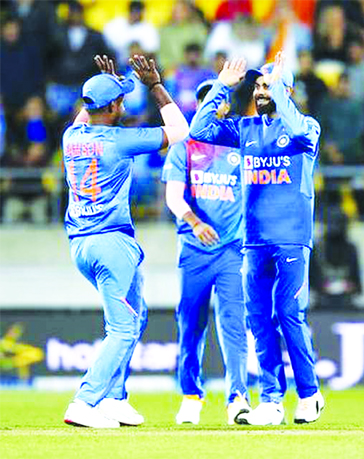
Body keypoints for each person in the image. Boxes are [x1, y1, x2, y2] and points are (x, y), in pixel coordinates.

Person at [189, 51, 324, 426]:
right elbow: (198, 133)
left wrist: (281, 91)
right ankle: (271, 400)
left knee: (289, 314)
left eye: (270, 85)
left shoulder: (306, 128)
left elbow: (296, 129)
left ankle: (310, 395)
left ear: (287, 90)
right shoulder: (244, 129)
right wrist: (221, 87)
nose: (262, 91)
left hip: (292, 239)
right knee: (259, 319)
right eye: (260, 85)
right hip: (253, 241)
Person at [62, 55, 189, 428]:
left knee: (136, 315)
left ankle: (114, 399)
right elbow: (180, 132)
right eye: (119, 100)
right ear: (114, 106)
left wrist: (105, 84)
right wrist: (155, 85)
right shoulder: (120, 141)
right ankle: (85, 401)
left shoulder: (72, 137)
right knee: (122, 328)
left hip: (82, 243)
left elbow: (86, 111)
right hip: (110, 242)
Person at [162, 79, 249, 426]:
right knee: (191, 324)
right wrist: (194, 221)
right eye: (203, 102)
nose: (209, 108)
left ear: (226, 107)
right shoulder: (183, 148)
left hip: (232, 250)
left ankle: (237, 398)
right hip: (195, 250)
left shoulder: (242, 143)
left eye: (215, 102)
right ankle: (191, 397)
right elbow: (173, 197)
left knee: (233, 325)